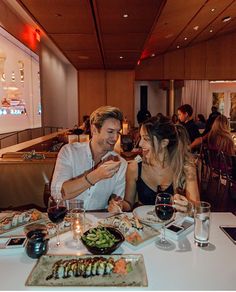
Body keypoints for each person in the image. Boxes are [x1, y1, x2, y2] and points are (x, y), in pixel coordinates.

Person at [108, 115, 200, 212]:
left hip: (175, 225)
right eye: (141, 137)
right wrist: (120, 205)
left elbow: (197, 206)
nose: (140, 144)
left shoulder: (185, 167)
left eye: (146, 139)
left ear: (164, 143)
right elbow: (128, 204)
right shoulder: (134, 168)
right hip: (145, 225)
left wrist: (189, 207)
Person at [51, 106, 127, 210]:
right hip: (67, 219)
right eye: (110, 131)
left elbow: (117, 197)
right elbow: (58, 194)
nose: (115, 138)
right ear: (94, 129)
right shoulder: (69, 152)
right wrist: (97, 175)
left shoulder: (120, 163)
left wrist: (116, 203)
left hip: (99, 222)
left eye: (118, 132)